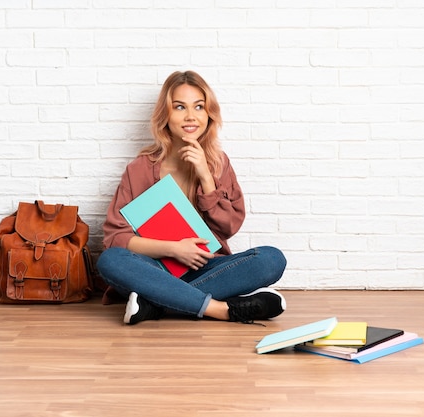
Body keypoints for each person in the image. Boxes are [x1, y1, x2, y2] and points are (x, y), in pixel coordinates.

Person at [96, 70, 287, 325]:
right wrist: (174, 249)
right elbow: (116, 239)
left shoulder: (218, 164)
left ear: (209, 113)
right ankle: (221, 309)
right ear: (166, 115)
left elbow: (229, 227)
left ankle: (154, 305)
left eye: (199, 106)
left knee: (271, 259)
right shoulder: (139, 169)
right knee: (110, 261)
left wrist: (206, 178)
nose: (191, 116)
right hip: (152, 269)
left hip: (206, 268)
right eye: (179, 107)